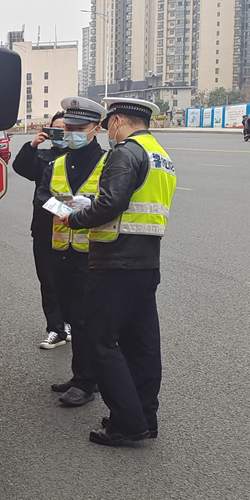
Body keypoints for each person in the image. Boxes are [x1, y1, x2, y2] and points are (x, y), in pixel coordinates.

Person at [57, 97, 175, 446]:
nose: (109, 130)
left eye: (109, 123)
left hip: (115, 260)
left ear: (119, 120)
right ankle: (144, 415)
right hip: (146, 261)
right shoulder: (160, 156)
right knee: (142, 344)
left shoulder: (125, 152)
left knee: (100, 341)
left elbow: (112, 203)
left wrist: (74, 218)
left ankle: (127, 422)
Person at [38, 96, 110, 407]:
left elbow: (114, 201)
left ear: (96, 129)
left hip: (94, 255)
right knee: (70, 317)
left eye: (79, 128)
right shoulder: (56, 164)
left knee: (87, 321)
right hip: (62, 251)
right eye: (68, 128)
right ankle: (79, 375)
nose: (71, 134)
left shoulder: (109, 162)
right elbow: (41, 195)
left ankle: (87, 382)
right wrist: (62, 209)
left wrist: (89, 209)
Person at [12, 111, 71, 349]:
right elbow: (20, 168)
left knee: (75, 281)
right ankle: (56, 328)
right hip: (46, 229)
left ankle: (72, 322)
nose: (62, 133)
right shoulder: (43, 157)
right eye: (56, 129)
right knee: (49, 280)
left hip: (78, 230)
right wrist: (32, 144)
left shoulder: (87, 157)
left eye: (66, 129)